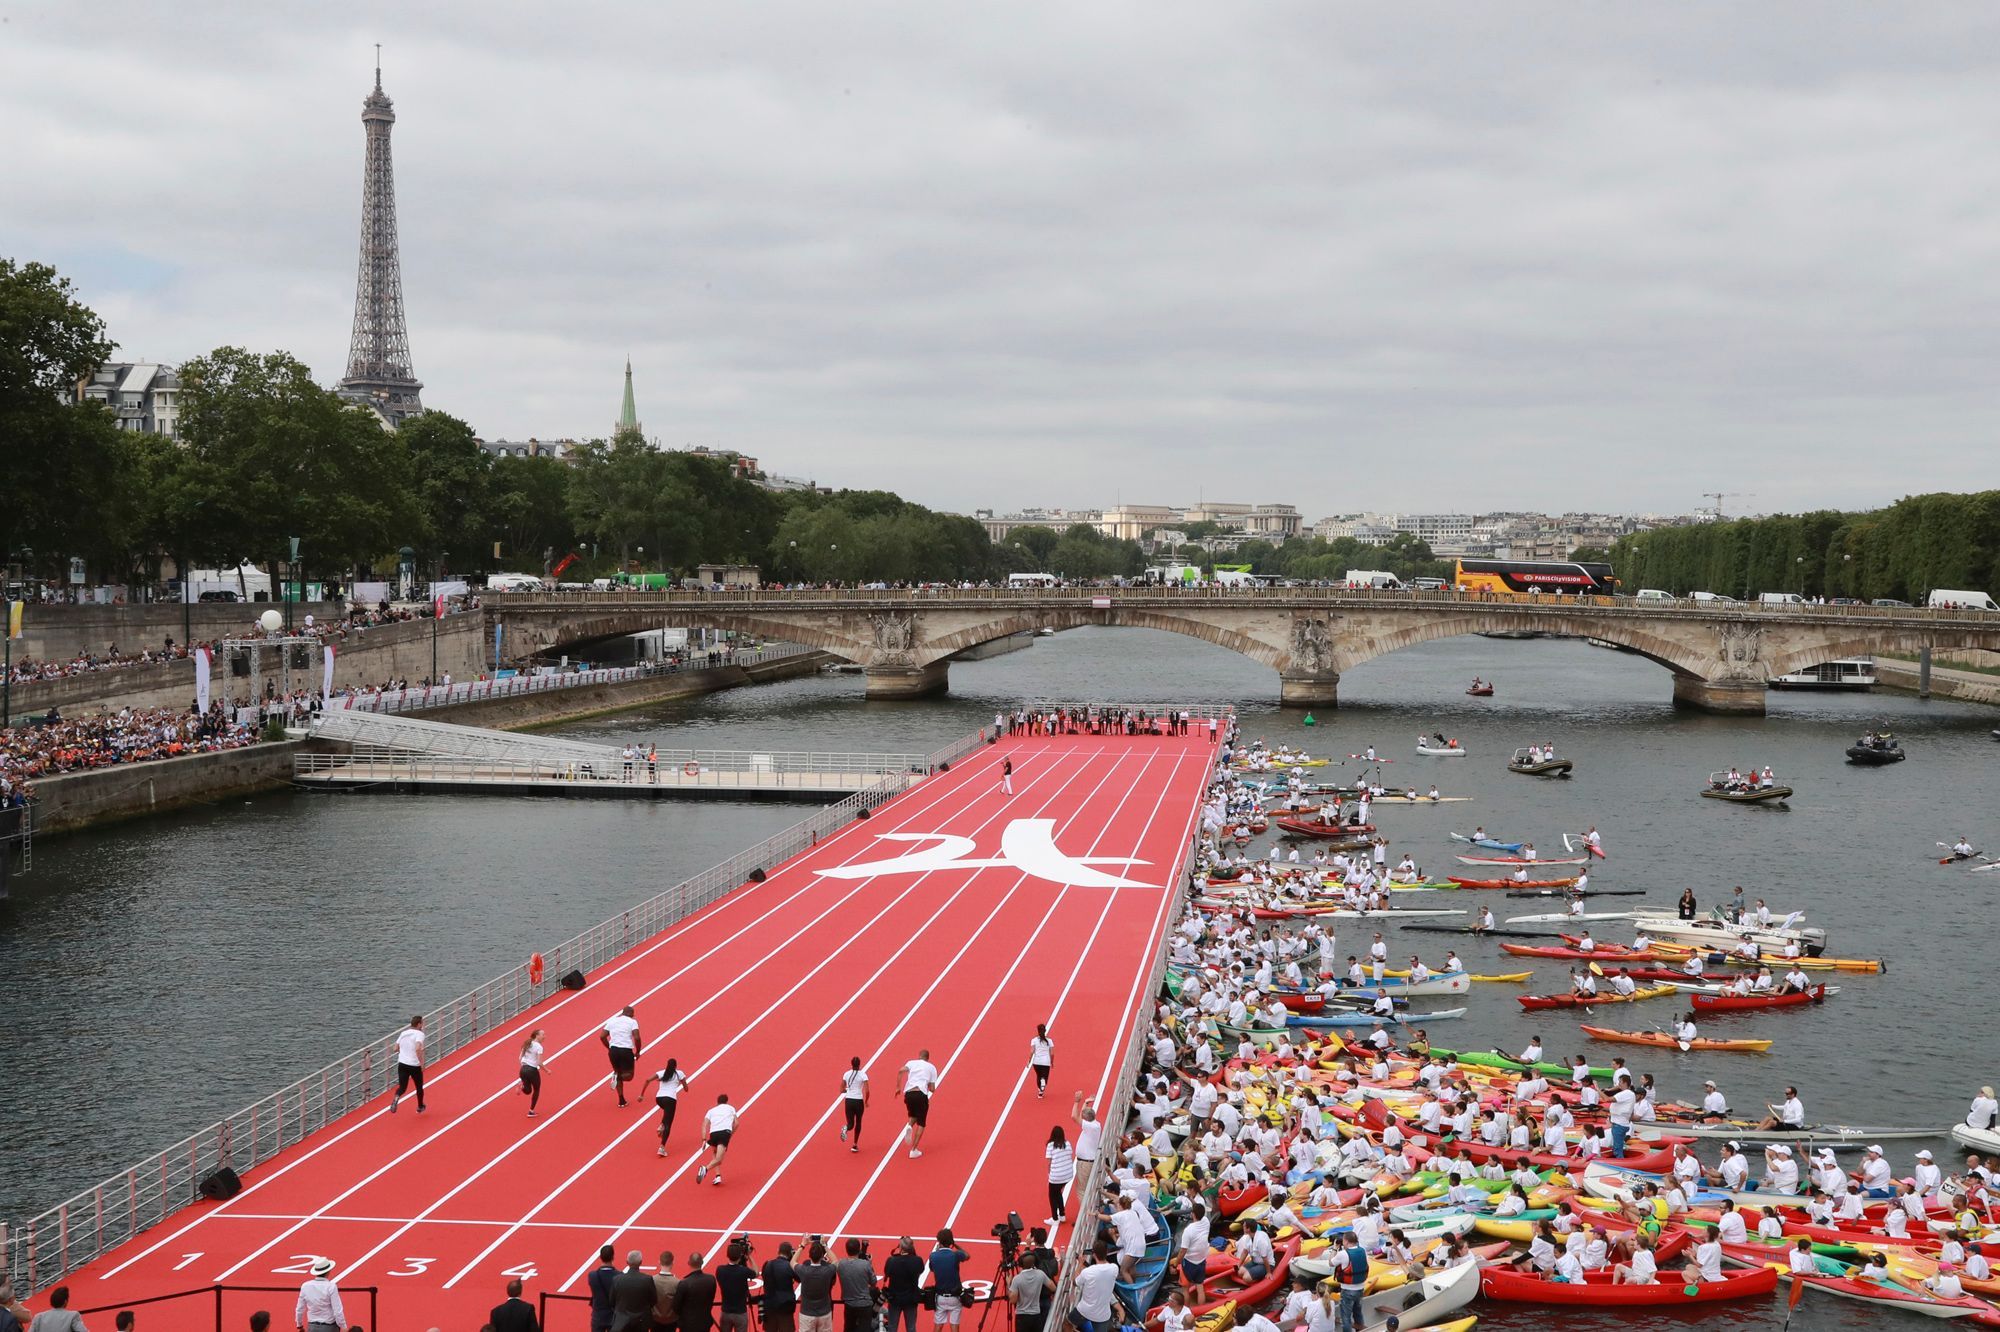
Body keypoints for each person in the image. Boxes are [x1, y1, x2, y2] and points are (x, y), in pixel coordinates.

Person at [1065, 1243, 1119, 1332]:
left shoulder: (1087, 1272)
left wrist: (1080, 1264)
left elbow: (1075, 1282)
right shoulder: (1114, 1268)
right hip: (1103, 1314)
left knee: (1067, 1324)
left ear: (1094, 1255)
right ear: (1106, 1253)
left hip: (1085, 1310)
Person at [898, 1050, 941, 1158]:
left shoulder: (911, 1063)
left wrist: (898, 1087)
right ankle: (913, 1150)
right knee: (921, 1122)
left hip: (909, 1094)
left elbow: (901, 1070)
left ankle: (909, 1126)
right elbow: (932, 1089)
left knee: (914, 1115)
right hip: (920, 1094)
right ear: (928, 1058)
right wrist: (927, 1085)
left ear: (919, 1056)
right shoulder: (932, 1067)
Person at [926, 1230, 971, 1329]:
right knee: (954, 1326)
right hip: (955, 1297)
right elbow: (967, 1255)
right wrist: (956, 1245)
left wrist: (937, 1251)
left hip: (940, 1297)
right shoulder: (956, 1255)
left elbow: (932, 1269)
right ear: (951, 1242)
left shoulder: (933, 1256)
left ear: (939, 1241)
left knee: (938, 1326)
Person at [602, 1005, 645, 1106]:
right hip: (626, 1050)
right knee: (629, 1076)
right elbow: (637, 1038)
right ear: (630, 1013)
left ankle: (621, 1101)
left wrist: (609, 1047)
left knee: (617, 1072)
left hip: (613, 1050)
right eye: (633, 1014)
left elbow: (602, 1036)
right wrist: (638, 1051)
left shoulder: (612, 1020)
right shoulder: (632, 1022)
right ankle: (617, 1077)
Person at [880, 1238, 925, 1332]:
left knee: (892, 1327)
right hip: (911, 1299)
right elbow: (921, 1270)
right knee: (911, 1328)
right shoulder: (917, 1261)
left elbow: (887, 1273)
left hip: (894, 1299)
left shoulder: (891, 1261)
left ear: (900, 1247)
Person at [295, 1257, 348, 1332]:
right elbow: (337, 1310)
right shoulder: (331, 1286)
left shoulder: (305, 1286)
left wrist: (299, 1325)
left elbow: (299, 1309)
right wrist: (343, 1326)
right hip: (329, 1327)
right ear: (328, 1271)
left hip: (312, 1327)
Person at [796, 1241, 838, 1332]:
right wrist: (825, 1246)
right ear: (823, 1254)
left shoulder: (805, 1267)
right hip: (824, 1310)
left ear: (810, 1254)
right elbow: (835, 1262)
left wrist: (802, 1245)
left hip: (807, 1312)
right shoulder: (828, 1269)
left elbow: (792, 1263)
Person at [613, 1251, 660, 1332]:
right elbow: (653, 1300)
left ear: (627, 1262)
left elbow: (612, 1301)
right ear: (641, 1262)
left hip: (622, 1322)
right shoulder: (647, 1279)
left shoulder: (617, 1279)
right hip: (641, 1322)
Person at [835, 1240, 876, 1332]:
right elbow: (873, 1282)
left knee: (849, 1329)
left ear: (846, 1249)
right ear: (859, 1250)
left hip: (849, 1304)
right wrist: (870, 1264)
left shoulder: (841, 1264)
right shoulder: (865, 1264)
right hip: (865, 1304)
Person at [697, 1094, 738, 1185]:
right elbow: (736, 1123)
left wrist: (704, 1139)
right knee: (719, 1159)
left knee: (715, 1154)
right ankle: (705, 1169)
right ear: (726, 1101)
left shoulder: (711, 1111)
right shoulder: (731, 1108)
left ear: (717, 1102)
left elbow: (704, 1125)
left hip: (713, 1134)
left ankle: (717, 1176)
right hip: (725, 1133)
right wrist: (730, 1134)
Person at [390, 1015, 427, 1114]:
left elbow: (395, 1048)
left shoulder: (403, 1033)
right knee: (419, 1087)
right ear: (419, 1024)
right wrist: (421, 1063)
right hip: (414, 1065)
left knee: (402, 1087)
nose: (422, 1025)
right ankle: (420, 1106)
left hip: (402, 1064)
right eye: (422, 1023)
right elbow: (418, 1048)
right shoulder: (420, 1034)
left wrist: (403, 1053)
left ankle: (397, 1097)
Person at [717, 1241, 756, 1332]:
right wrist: (749, 1256)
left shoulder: (720, 1270)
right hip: (740, 1313)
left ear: (727, 1255)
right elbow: (756, 1272)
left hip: (725, 1312)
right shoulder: (744, 1271)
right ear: (740, 1255)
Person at [674, 1254, 718, 1332]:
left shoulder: (684, 1283)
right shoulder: (711, 1280)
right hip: (704, 1323)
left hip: (687, 1325)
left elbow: (676, 1306)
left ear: (689, 1263)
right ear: (702, 1262)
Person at [1008, 1260, 1055, 1332]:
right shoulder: (1040, 1274)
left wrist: (1008, 1284)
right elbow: (1053, 1288)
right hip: (1036, 1316)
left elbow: (1012, 1300)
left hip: (1022, 1317)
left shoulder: (1017, 1279)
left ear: (1021, 1265)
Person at [758, 1244, 796, 1332]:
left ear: (778, 1251)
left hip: (769, 1306)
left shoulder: (767, 1264)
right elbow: (799, 1278)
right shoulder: (789, 1266)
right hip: (785, 1308)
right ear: (790, 1253)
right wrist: (793, 1261)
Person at [1045, 1126, 1076, 1227]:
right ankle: (1062, 1215)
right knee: (1058, 1192)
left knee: (1052, 1196)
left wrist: (1049, 1175)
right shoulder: (1067, 1143)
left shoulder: (1050, 1145)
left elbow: (1049, 1162)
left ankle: (1055, 1218)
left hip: (1056, 1176)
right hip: (1068, 1175)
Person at [840, 1057, 870, 1151]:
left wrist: (849, 1091)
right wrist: (866, 1101)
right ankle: (855, 1145)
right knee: (858, 1122)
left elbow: (841, 1089)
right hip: (858, 1101)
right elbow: (867, 1091)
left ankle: (846, 1128)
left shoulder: (846, 1074)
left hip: (849, 1100)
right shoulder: (863, 1075)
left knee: (850, 1124)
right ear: (859, 1064)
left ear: (851, 1064)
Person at [589, 1247, 620, 1332]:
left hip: (598, 1316)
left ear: (600, 1257)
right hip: (614, 1317)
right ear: (613, 1257)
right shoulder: (619, 1276)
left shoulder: (592, 1276)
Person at [518, 1028, 546, 1117]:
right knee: (536, 1090)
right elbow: (539, 1063)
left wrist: (524, 1065)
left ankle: (522, 1086)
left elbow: (520, 1058)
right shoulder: (539, 1047)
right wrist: (547, 1070)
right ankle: (531, 1111)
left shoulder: (527, 1043)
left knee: (528, 1091)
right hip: (532, 1070)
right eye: (543, 1035)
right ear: (537, 1035)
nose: (544, 1037)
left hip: (523, 1069)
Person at [652, 1251, 681, 1332]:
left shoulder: (652, 1280)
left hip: (655, 1319)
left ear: (659, 1262)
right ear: (672, 1263)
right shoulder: (677, 1283)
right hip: (671, 1320)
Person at [1030, 1024, 1054, 1098]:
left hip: (1036, 1062)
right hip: (1046, 1062)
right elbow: (1052, 1053)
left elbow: (1032, 1051)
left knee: (1038, 1075)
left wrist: (1029, 1061)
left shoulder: (1034, 1040)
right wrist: (1052, 1062)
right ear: (1045, 1031)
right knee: (1044, 1076)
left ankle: (1040, 1092)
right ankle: (1042, 1084)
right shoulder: (1049, 1041)